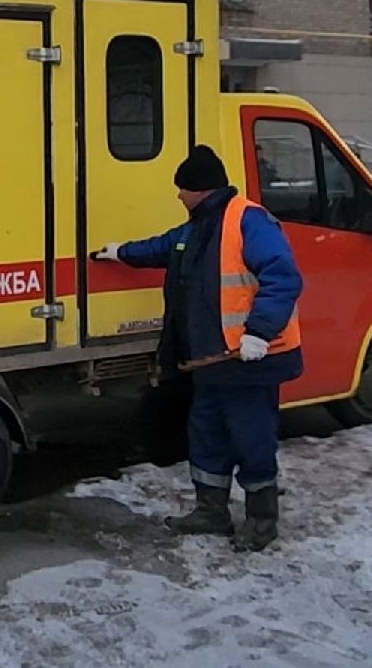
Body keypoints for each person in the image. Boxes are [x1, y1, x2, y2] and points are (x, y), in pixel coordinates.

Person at [94, 144, 304, 552]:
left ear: (199, 189)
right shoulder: (199, 227)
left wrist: (259, 332)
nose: (177, 195)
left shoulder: (249, 221)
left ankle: (261, 521)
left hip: (247, 359)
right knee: (207, 435)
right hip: (211, 362)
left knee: (251, 439)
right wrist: (120, 253)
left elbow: (283, 277)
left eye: (181, 188)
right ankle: (211, 511)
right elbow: (162, 247)